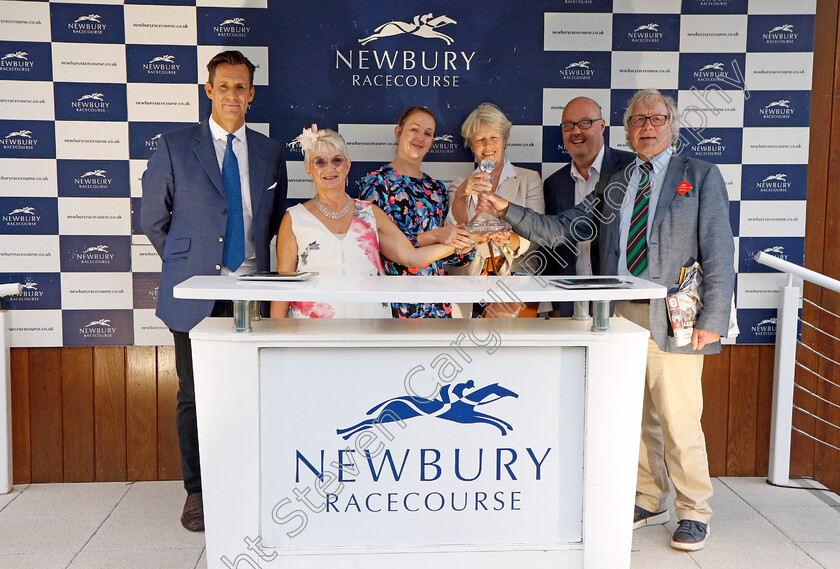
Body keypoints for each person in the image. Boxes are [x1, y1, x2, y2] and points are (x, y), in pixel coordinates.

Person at [477, 88, 735, 551]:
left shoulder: (699, 176)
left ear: (670, 124)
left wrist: (713, 318)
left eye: (656, 118)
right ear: (627, 130)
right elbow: (562, 228)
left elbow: (719, 252)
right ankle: (650, 497)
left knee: (679, 419)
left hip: (673, 316)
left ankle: (695, 509)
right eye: (638, 120)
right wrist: (506, 210)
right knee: (633, 419)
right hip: (617, 316)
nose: (647, 127)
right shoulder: (616, 181)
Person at [140, 51, 287, 532]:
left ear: (251, 94)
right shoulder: (175, 145)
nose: (232, 95)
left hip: (251, 290)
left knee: (252, 392)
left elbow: (270, 221)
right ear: (209, 90)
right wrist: (192, 266)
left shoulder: (269, 151)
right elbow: (153, 220)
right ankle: (197, 492)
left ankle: (248, 482)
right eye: (223, 86)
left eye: (240, 87)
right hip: (193, 290)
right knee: (193, 394)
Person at [270, 126, 464, 319]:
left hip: (369, 329)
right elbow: (283, 289)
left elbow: (410, 256)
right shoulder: (295, 218)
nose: (330, 168)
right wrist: (276, 338)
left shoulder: (370, 213)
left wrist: (462, 242)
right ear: (308, 169)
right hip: (311, 337)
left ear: (348, 164)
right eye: (320, 162)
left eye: (337, 160)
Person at [360, 106, 475, 318]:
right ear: (398, 132)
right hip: (393, 304)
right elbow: (382, 248)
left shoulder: (438, 189)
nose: (420, 138)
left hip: (435, 304)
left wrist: (469, 241)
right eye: (414, 129)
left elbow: (455, 258)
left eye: (428, 133)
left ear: (432, 141)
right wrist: (439, 236)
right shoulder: (376, 184)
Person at [447, 102, 544, 317]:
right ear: (471, 146)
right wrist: (463, 193)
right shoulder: (460, 184)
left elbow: (538, 235)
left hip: (516, 284)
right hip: (467, 285)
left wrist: (508, 239)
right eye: (480, 139)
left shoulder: (529, 180)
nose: (487, 145)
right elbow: (452, 232)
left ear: (506, 139)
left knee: (508, 348)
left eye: (494, 138)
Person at [542, 97, 635, 316]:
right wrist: (555, 307)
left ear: (602, 126)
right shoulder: (554, 183)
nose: (576, 131)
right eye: (568, 125)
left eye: (585, 123)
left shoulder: (632, 168)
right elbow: (550, 248)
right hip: (570, 305)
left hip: (622, 301)